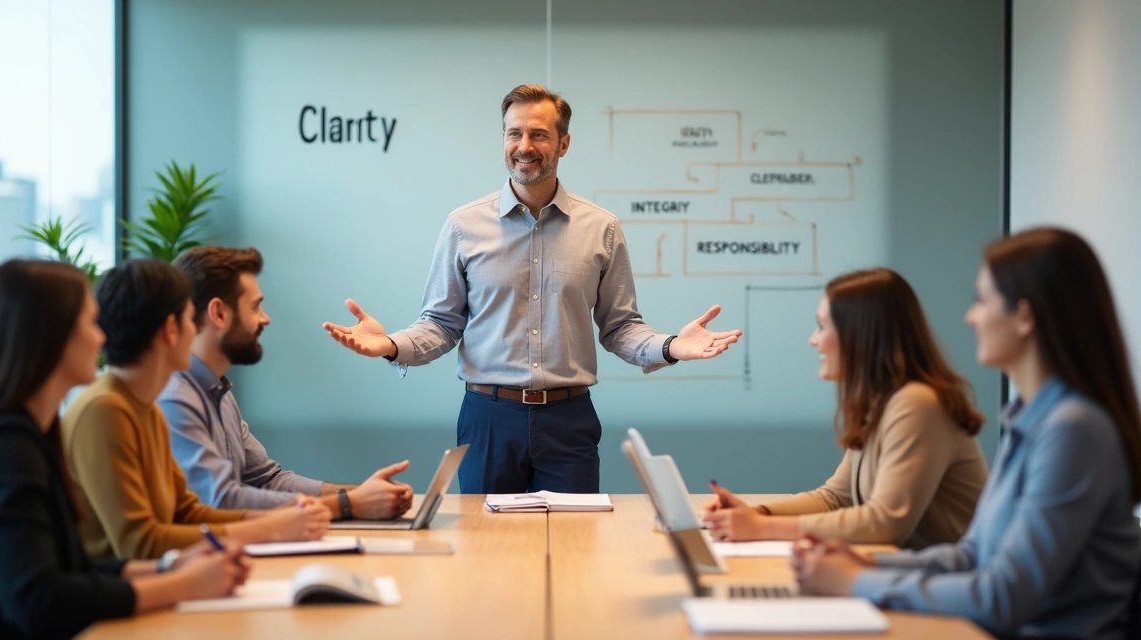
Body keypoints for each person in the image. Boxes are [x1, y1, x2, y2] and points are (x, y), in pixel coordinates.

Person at [323, 84, 743, 493]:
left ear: (564, 144)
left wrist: (671, 347)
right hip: (488, 419)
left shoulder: (602, 228)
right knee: (484, 539)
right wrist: (391, 345)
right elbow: (441, 324)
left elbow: (620, 327)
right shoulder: (463, 226)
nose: (524, 146)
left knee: (575, 538)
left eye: (539, 134)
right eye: (514, 133)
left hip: (569, 420)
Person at [793, 228, 1141, 639]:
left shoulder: (1073, 430)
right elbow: (973, 555)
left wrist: (857, 582)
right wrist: (867, 564)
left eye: (981, 301)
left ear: (1024, 317)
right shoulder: (1030, 418)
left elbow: (1003, 597)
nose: (970, 317)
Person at [0, 260, 249, 639]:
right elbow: (40, 601)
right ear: (52, 336)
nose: (101, 338)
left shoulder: (33, 432)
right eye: (91, 323)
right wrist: (183, 585)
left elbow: (73, 569)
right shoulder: (3, 446)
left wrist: (170, 568)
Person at [62, 259, 330, 560]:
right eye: (191, 320)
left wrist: (284, 517)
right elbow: (139, 543)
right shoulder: (104, 409)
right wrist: (269, 528)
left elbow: (187, 511)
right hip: (128, 588)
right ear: (171, 330)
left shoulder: (145, 407)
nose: (196, 332)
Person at [704, 268, 988, 549]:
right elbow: (835, 498)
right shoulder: (881, 402)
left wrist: (760, 527)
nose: (813, 340)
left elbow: (886, 523)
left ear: (860, 334)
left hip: (946, 575)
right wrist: (756, 514)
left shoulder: (917, 403)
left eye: (821, 326)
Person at [161, 246, 413, 518]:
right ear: (219, 313)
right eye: (255, 307)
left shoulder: (218, 393)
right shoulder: (175, 399)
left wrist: (364, 494)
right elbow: (218, 501)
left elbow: (267, 479)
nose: (265, 318)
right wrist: (349, 504)